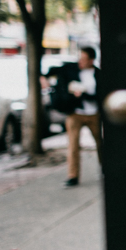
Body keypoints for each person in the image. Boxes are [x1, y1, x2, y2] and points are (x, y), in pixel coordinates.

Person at [45, 47, 103, 187]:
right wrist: (45, 78)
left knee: (100, 143)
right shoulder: (71, 69)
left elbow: (100, 95)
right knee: (73, 145)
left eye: (84, 59)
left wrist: (83, 94)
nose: (80, 62)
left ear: (91, 60)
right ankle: (73, 176)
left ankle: (104, 169)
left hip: (93, 113)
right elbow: (53, 71)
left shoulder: (98, 74)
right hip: (75, 113)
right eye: (80, 58)